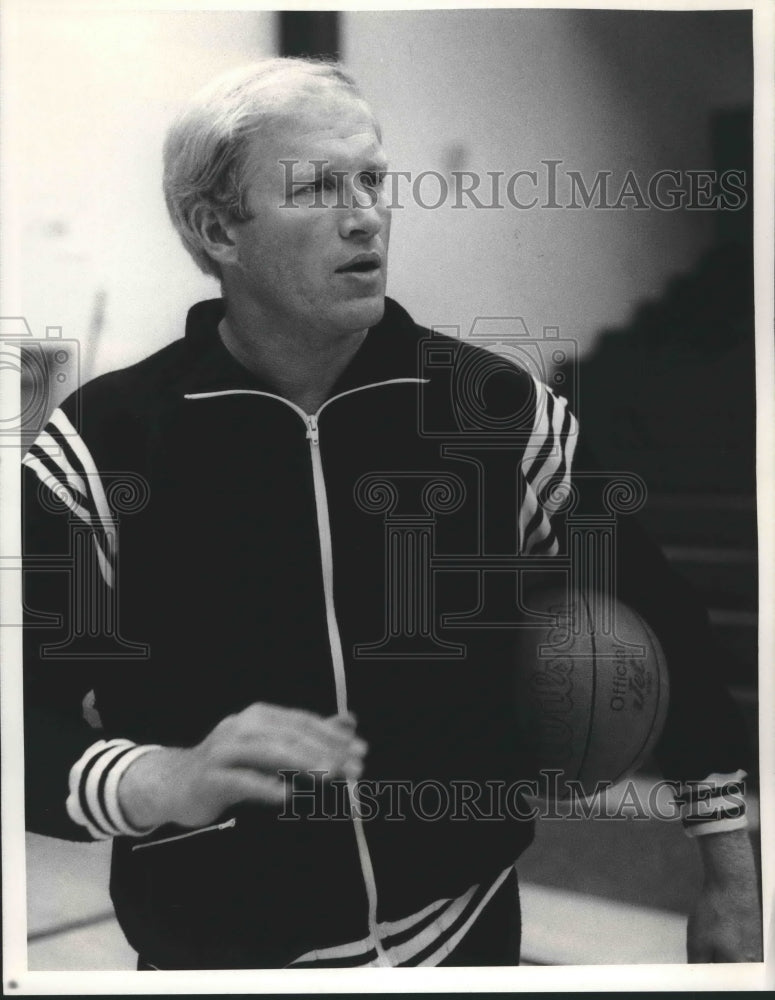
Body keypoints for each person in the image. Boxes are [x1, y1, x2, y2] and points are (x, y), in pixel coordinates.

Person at [22, 57, 761, 969]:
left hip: (463, 936)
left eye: (372, 177)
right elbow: (25, 717)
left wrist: (730, 872)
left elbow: (664, 626)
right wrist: (159, 780)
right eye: (317, 187)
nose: (365, 211)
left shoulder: (501, 415)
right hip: (219, 960)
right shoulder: (100, 449)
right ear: (217, 229)